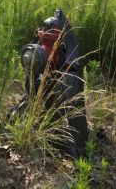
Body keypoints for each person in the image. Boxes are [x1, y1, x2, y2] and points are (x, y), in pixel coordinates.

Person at [19, 9, 88, 158]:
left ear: (61, 41)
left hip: (61, 78)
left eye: (51, 41)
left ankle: (69, 145)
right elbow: (28, 94)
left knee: (60, 103)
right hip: (50, 77)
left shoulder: (71, 71)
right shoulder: (36, 59)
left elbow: (77, 110)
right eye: (44, 39)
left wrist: (80, 149)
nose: (45, 45)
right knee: (39, 100)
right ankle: (39, 127)